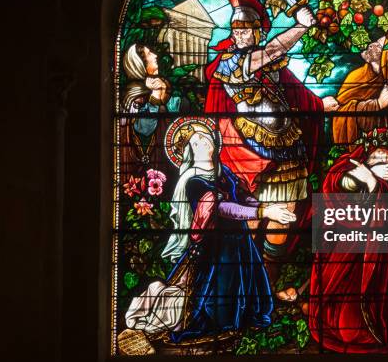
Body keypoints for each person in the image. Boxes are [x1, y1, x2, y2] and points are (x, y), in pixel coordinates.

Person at [204, 0, 338, 298]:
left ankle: (268, 285)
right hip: (250, 152)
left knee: (285, 218)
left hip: (287, 148)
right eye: (235, 28)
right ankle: (245, 290)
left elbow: (295, 93)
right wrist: (301, 26)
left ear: (257, 32)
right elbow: (275, 49)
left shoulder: (271, 68)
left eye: (245, 29)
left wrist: (318, 105)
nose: (238, 33)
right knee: (253, 217)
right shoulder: (230, 63)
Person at [124, 119, 295, 343]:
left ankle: (246, 323)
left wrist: (269, 207)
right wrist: (264, 212)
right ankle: (223, 327)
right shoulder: (193, 181)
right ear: (189, 152)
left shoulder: (223, 172)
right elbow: (223, 208)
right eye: (196, 141)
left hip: (239, 240)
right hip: (216, 247)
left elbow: (242, 198)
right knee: (221, 291)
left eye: (205, 136)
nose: (203, 141)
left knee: (248, 286)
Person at [309, 128, 388, 353]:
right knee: (339, 304)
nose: (384, 163)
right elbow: (334, 191)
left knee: (359, 315)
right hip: (344, 245)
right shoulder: (347, 168)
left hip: (374, 250)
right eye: (377, 157)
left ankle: (373, 326)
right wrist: (364, 177)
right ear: (366, 155)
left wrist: (376, 184)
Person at [119, 44, 181, 188]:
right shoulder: (133, 96)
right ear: (140, 65)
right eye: (149, 54)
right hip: (139, 161)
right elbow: (143, 129)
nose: (155, 56)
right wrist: (154, 99)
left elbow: (177, 109)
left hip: (164, 158)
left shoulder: (162, 87)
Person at [331, 36, 388, 147]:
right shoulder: (356, 76)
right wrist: (377, 104)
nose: (371, 45)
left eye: (379, 45)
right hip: (356, 145)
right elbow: (341, 111)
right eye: (375, 42)